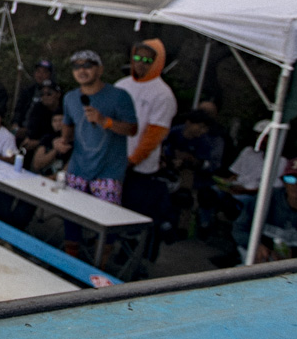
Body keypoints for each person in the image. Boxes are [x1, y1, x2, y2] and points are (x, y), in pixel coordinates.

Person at [61, 48, 138, 217]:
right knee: (71, 219)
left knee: (104, 220)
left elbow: (132, 129)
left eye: (88, 65)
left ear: (100, 69)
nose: (81, 70)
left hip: (108, 173)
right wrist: (61, 142)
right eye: (76, 66)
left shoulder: (119, 96)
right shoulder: (70, 98)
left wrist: (105, 121)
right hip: (77, 170)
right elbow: (68, 127)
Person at [115, 39, 178, 243]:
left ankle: (129, 254)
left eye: (148, 60)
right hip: (113, 161)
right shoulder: (121, 85)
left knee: (130, 220)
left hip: (140, 170)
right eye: (138, 58)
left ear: (157, 63)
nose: (141, 63)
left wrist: (133, 160)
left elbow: (154, 135)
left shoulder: (163, 94)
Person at [11, 60, 56, 129]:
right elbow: (18, 110)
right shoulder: (28, 91)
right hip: (23, 127)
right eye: (38, 71)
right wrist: (15, 123)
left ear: (50, 74)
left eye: (44, 72)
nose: (40, 75)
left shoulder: (55, 92)